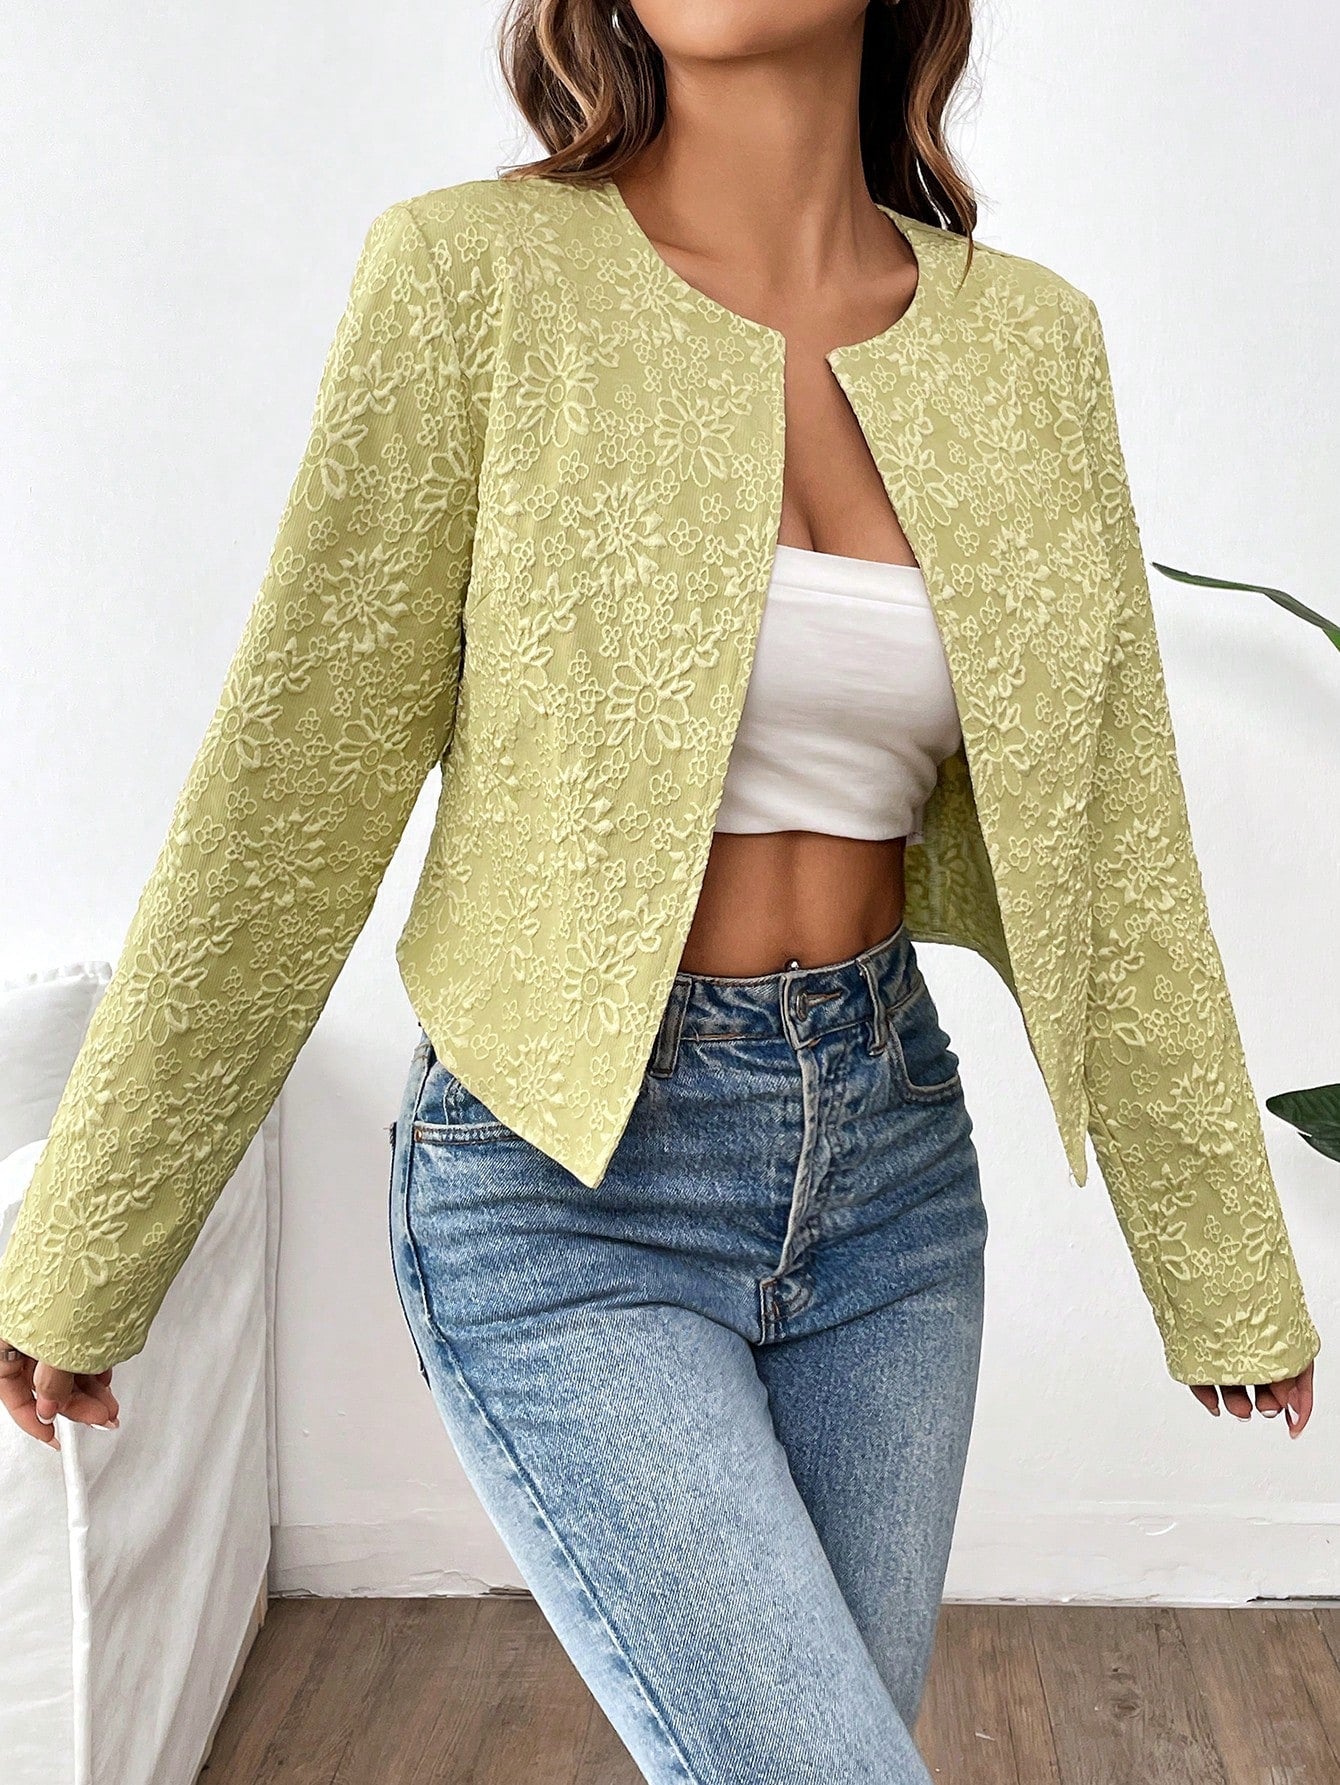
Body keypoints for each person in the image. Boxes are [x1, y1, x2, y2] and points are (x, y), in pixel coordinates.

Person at [0, 3, 1321, 1780]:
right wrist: (93, 1240)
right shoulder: (472, 279)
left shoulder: (1030, 347)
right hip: (560, 1184)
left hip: (892, 1179)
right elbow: (287, 787)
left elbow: (1121, 835)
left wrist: (1219, 1258)